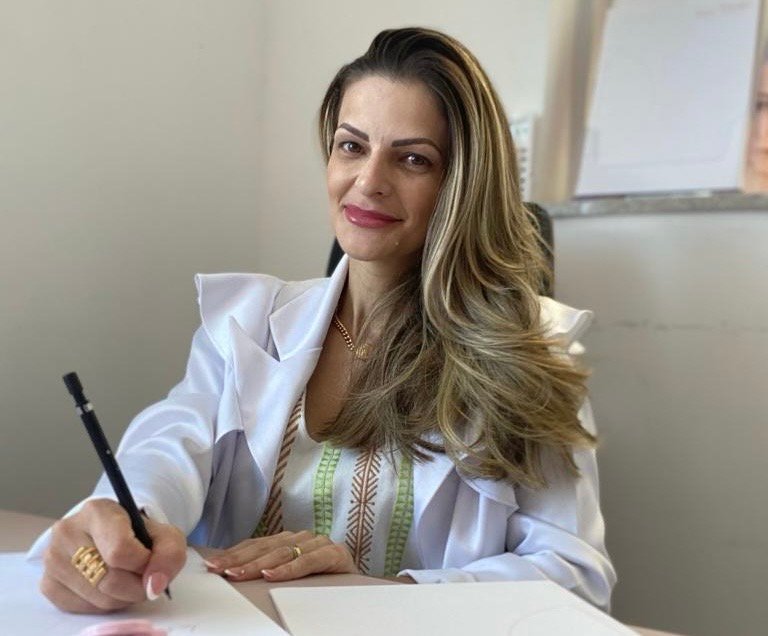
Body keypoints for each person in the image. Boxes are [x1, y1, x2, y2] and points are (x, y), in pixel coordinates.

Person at [31, 27, 616, 614]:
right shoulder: (248, 321)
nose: (368, 182)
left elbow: (575, 580)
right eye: (352, 146)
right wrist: (127, 521)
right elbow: (167, 449)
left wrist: (376, 591)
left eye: (413, 159)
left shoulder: (536, 352)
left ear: (462, 185)